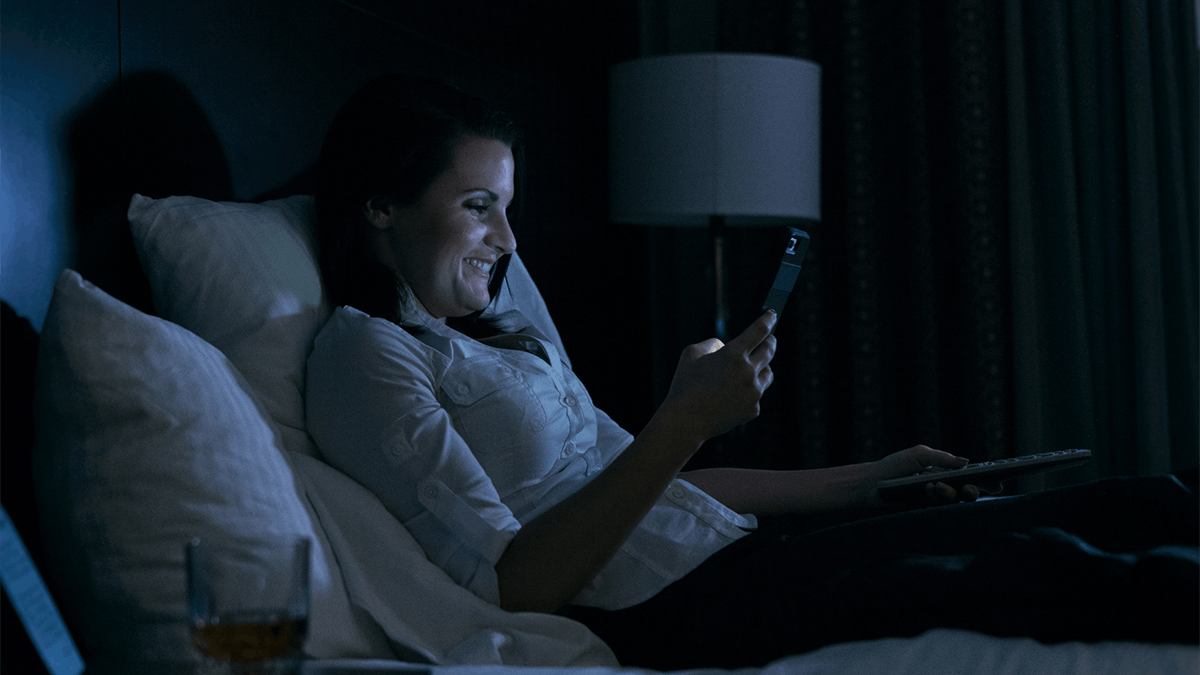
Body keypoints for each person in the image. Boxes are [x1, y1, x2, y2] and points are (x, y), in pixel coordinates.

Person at [305, 74, 1200, 669]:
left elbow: (647, 487)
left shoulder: (501, 332)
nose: (507, 241)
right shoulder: (364, 352)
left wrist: (869, 482)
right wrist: (681, 421)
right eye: (478, 207)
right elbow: (517, 584)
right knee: (1040, 569)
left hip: (732, 560)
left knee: (1112, 506)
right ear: (380, 204)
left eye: (506, 208)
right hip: (676, 616)